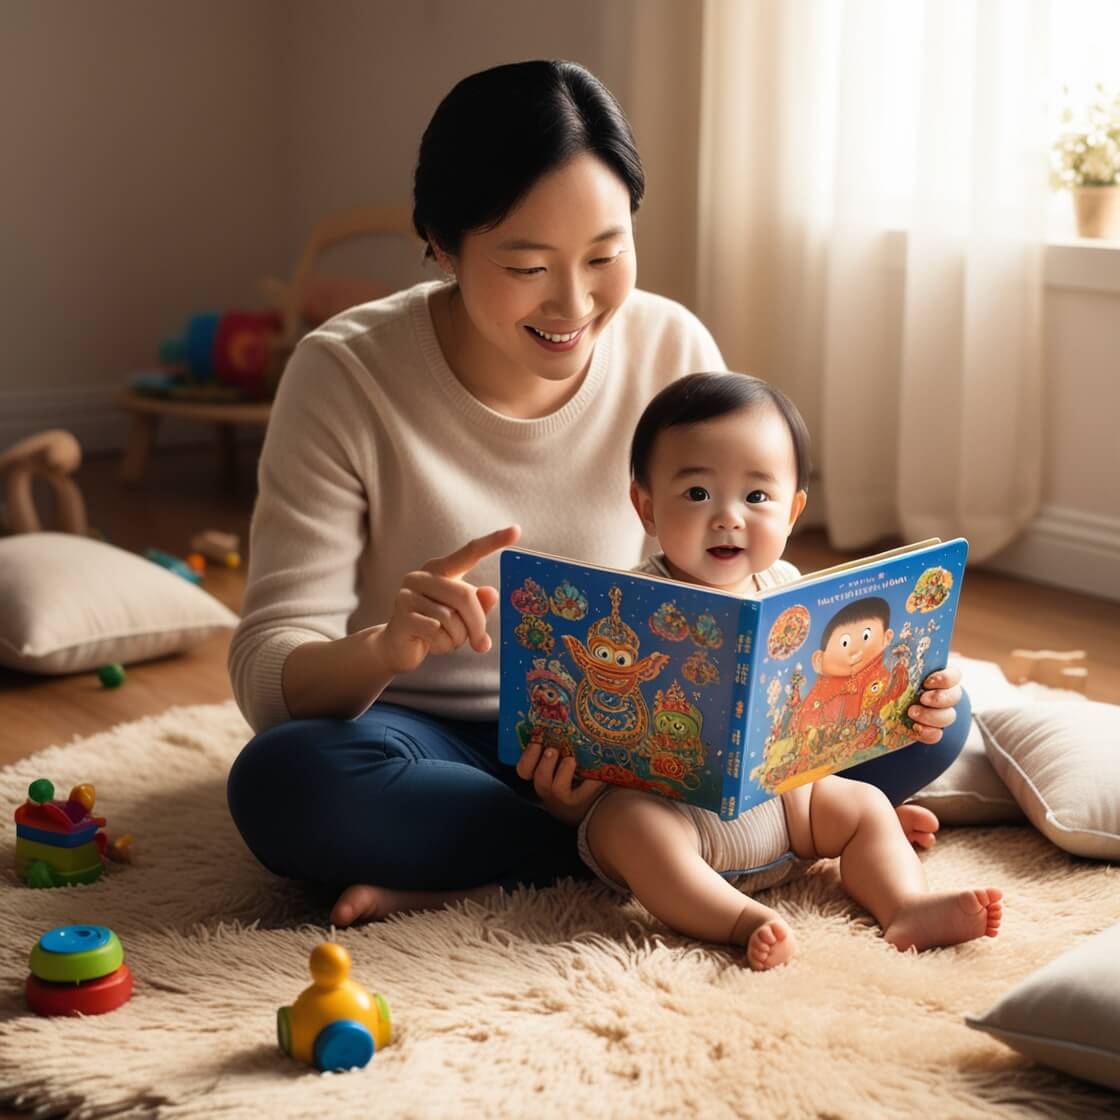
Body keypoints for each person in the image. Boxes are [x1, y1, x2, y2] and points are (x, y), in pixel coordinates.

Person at [225, 60, 971, 931]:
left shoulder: (670, 344)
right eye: (527, 265)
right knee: (286, 784)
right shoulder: (344, 375)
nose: (574, 303)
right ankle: (629, 852)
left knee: (934, 722)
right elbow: (267, 668)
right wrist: (386, 648)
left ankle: (539, 864)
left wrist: (877, 682)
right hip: (430, 743)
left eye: (606, 256)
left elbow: (742, 565)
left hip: (648, 756)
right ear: (439, 241)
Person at [533, 372, 998, 969]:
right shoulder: (630, 604)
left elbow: (839, 696)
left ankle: (905, 903)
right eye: (697, 494)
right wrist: (569, 797)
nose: (729, 517)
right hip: (679, 823)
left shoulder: (794, 597)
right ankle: (740, 919)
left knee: (866, 808)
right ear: (646, 507)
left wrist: (916, 692)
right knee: (629, 827)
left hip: (789, 813)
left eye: (756, 497)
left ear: (793, 510)